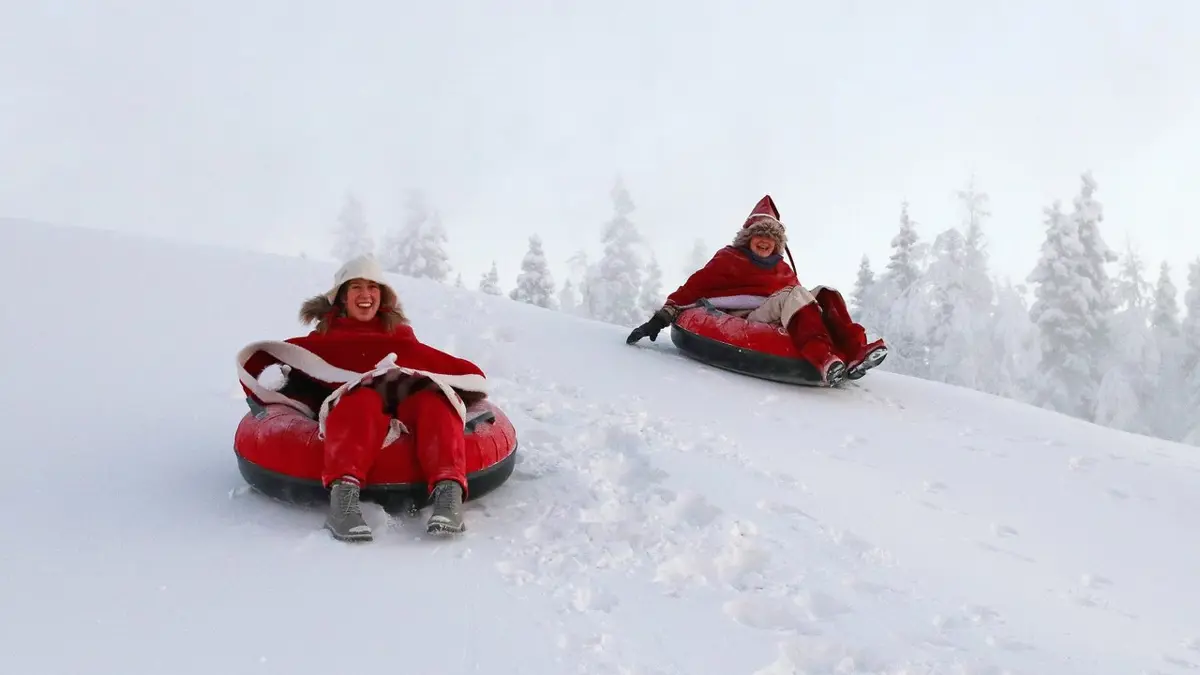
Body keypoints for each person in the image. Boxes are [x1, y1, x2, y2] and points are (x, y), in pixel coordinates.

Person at [237, 253, 488, 541]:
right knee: (361, 401)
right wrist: (286, 383)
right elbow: (306, 368)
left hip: (404, 398)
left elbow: (425, 363)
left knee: (434, 400)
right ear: (343, 297)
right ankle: (343, 502)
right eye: (356, 287)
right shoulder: (326, 341)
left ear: (383, 296)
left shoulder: (400, 335)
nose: (366, 294)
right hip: (359, 409)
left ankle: (448, 495)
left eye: (373, 287)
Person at [626, 195, 886, 385]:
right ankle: (822, 358)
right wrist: (659, 320)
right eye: (760, 236)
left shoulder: (783, 270)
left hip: (778, 312)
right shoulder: (728, 259)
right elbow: (691, 289)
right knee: (792, 294)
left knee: (825, 293)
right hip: (744, 317)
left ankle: (854, 353)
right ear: (748, 239)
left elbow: (802, 304)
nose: (765, 242)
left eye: (772, 239)